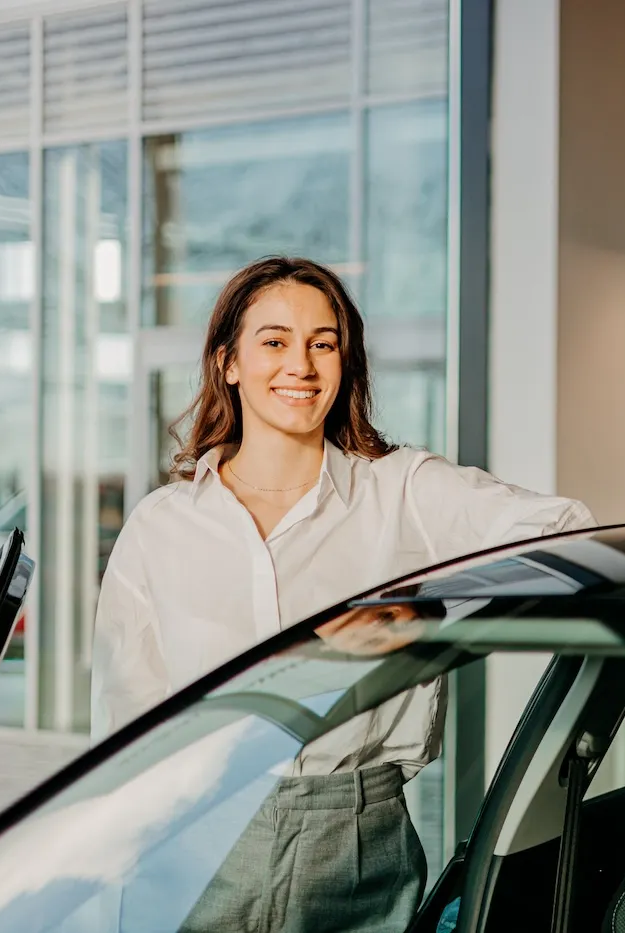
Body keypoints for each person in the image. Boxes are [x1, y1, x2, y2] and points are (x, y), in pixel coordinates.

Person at [90, 255, 594, 931]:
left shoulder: (403, 491)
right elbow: (125, 734)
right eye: (274, 341)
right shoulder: (161, 525)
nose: (301, 365)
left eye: (322, 343)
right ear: (226, 363)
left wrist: (433, 617)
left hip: (355, 837)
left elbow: (572, 534)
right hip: (194, 838)